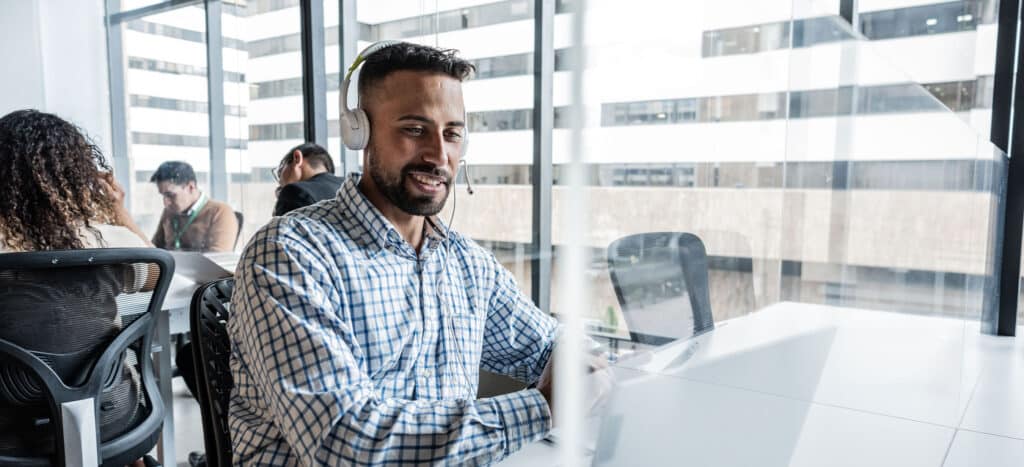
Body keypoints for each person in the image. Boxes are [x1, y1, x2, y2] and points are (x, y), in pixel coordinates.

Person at [228, 42, 566, 465]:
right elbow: (346, 443)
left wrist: (584, 363)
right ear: (360, 132)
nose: (439, 155)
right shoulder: (290, 253)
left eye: (452, 133)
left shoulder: (466, 263)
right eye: (414, 129)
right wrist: (542, 408)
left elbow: (547, 345)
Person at [0, 109, 159, 467]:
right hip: (113, 418)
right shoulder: (110, 240)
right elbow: (154, 274)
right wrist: (118, 212)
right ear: (76, 175)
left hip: (11, 435)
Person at [150, 161, 237, 252]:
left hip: (202, 266)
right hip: (172, 265)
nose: (166, 203)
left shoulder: (220, 211)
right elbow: (155, 249)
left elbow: (218, 258)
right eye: (163, 195)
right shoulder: (169, 212)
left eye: (170, 195)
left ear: (191, 187)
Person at [272, 142, 344, 216]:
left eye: (280, 170)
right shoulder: (348, 185)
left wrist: (281, 202)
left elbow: (278, 226)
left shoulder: (295, 192)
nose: (280, 181)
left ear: (297, 159)